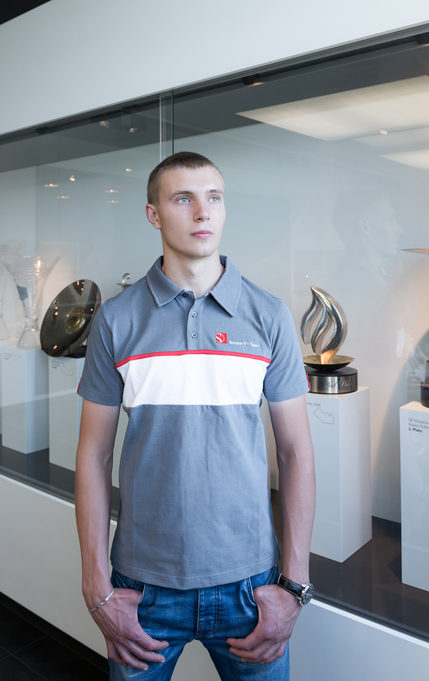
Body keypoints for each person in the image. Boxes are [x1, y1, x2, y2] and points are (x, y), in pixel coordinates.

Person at [75, 151, 316, 681]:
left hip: (251, 586)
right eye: (183, 199)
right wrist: (96, 585)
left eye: (214, 198)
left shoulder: (268, 314)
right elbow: (92, 455)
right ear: (154, 215)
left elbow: (297, 453)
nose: (202, 213)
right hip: (142, 589)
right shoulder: (116, 320)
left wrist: (293, 588)